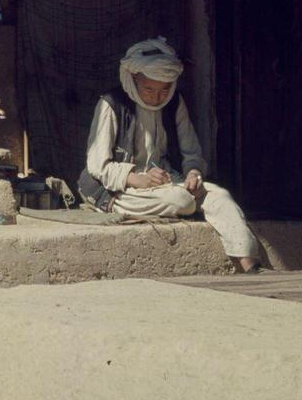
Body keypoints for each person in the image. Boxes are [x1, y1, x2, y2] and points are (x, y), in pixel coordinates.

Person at [79, 37, 264, 273]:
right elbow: (97, 165)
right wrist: (135, 178)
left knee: (220, 197)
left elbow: (191, 152)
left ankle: (250, 265)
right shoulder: (111, 103)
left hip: (168, 183)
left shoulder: (174, 102)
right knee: (180, 200)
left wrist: (193, 174)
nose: (157, 97)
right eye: (149, 89)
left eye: (164, 89)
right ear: (133, 79)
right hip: (117, 188)